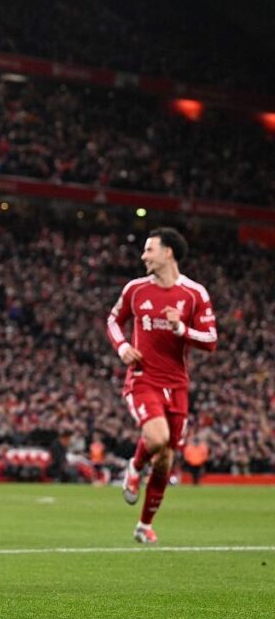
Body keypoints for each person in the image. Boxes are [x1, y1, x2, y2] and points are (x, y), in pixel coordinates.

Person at [106, 227, 217, 544]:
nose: (144, 256)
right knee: (157, 437)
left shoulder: (194, 294)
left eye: (149, 250)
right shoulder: (135, 289)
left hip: (177, 385)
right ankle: (134, 465)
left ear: (168, 253)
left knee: (166, 460)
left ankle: (144, 526)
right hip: (144, 378)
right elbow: (113, 320)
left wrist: (181, 328)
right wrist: (122, 347)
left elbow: (210, 340)